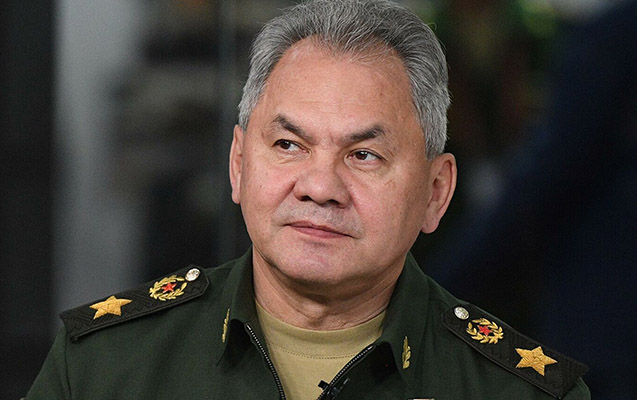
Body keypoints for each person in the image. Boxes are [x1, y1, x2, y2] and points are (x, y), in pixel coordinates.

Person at [25, 1, 589, 399]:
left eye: (364, 155)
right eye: (289, 145)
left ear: (436, 192)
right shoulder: (103, 368)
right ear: (238, 164)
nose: (319, 187)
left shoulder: (516, 390)